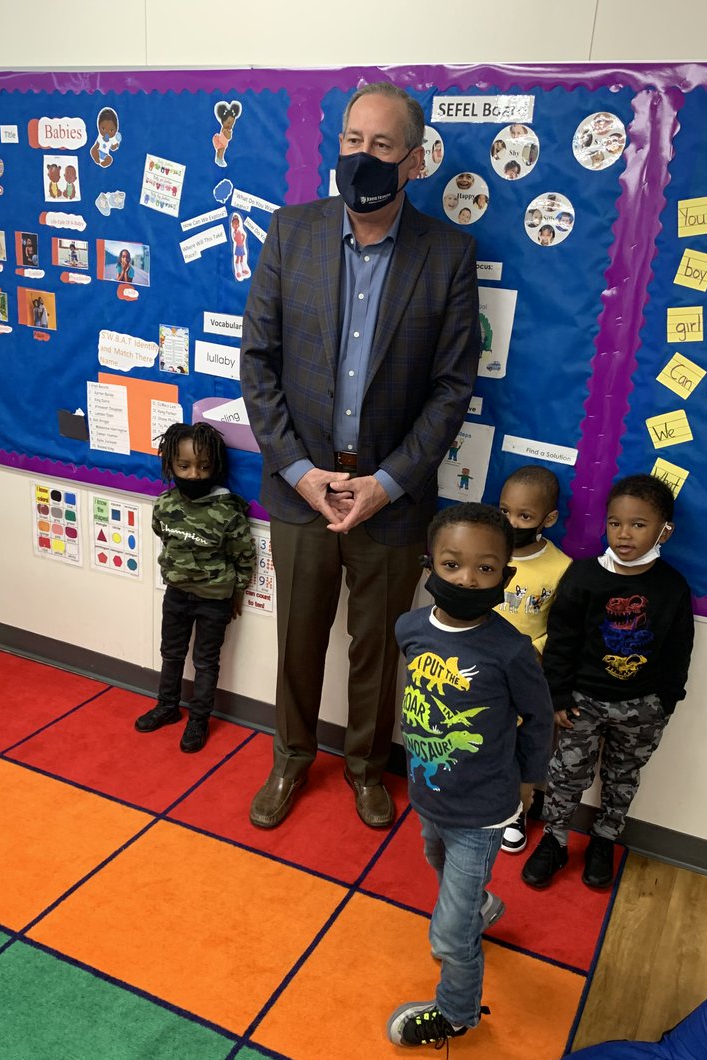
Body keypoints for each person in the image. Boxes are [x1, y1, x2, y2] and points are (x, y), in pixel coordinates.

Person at [241, 82, 480, 831]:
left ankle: (369, 768)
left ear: (414, 160)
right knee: (298, 639)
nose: (362, 158)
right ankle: (291, 757)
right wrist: (300, 472)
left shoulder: (448, 254)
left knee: (379, 649)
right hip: (300, 487)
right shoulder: (291, 232)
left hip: (392, 497)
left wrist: (386, 482)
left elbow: (451, 388)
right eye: (352, 141)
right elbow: (258, 364)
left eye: (381, 146)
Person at [387, 504, 553, 1049]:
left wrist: (529, 784)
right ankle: (480, 906)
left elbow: (539, 718)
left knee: (449, 936)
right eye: (453, 564)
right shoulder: (410, 628)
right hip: (430, 793)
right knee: (435, 860)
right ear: (430, 564)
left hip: (483, 813)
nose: (467, 578)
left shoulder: (510, 650)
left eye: (486, 569)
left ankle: (457, 1015)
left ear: (506, 576)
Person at [522, 474, 694, 890]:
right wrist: (559, 695)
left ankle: (603, 841)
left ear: (663, 531)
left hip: (642, 707)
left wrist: (666, 701)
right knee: (566, 775)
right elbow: (562, 641)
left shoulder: (671, 587)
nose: (624, 533)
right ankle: (556, 840)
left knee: (621, 778)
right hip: (583, 702)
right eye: (615, 522)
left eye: (638, 524)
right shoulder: (584, 577)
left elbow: (678, 649)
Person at [136, 422, 255, 753]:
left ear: (215, 467)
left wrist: (236, 592)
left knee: (206, 661)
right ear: (170, 464)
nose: (195, 474)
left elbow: (243, 556)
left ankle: (199, 719)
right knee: (171, 654)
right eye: (184, 466)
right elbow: (163, 536)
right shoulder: (164, 505)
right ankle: (167, 706)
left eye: (203, 467)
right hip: (176, 595)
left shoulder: (227, 510)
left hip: (214, 599)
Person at [495, 465, 571, 853]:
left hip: (526, 674)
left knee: (522, 744)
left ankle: (517, 811)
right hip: (480, 671)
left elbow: (559, 630)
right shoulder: (487, 551)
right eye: (505, 511)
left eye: (525, 516)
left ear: (548, 519)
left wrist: (535, 655)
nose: (512, 522)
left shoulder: (560, 568)